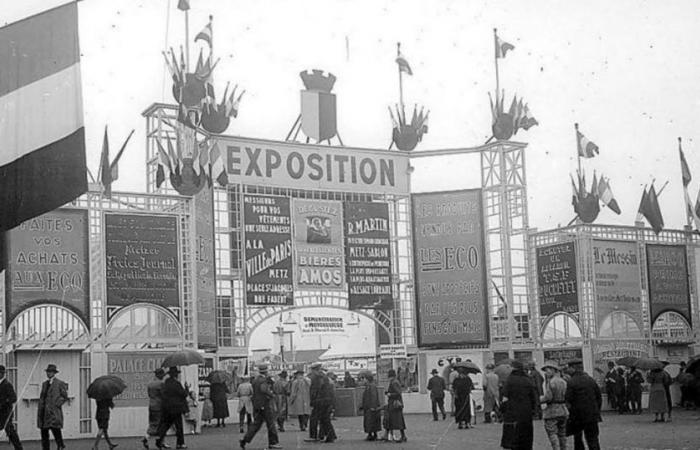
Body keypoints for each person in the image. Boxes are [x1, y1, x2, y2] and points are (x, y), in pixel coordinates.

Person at [239, 364, 281, 449]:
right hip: (265, 404)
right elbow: (264, 389)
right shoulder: (263, 380)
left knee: (256, 424)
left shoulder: (255, 380)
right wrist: (271, 394)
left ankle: (245, 439)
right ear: (266, 371)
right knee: (271, 423)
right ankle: (273, 442)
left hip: (257, 405)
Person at [500, 360, 538, 450]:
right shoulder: (528, 379)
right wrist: (533, 410)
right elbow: (533, 397)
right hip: (526, 412)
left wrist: (502, 410)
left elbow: (505, 398)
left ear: (513, 368)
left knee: (513, 437)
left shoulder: (510, 380)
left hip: (512, 412)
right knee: (526, 437)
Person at [565, 359, 601, 450]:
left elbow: (568, 400)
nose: (567, 370)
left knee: (578, 439)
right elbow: (598, 397)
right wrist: (596, 410)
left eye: (568, 368)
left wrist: (570, 412)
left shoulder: (571, 382)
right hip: (592, 415)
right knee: (593, 440)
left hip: (577, 417)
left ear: (573, 368)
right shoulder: (591, 380)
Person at [155, 367, 189, 450]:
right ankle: (180, 443)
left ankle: (159, 439)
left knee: (166, 425)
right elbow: (184, 394)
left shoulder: (166, 382)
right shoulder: (177, 384)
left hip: (167, 407)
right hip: (176, 408)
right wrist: (187, 388)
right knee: (179, 426)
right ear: (176, 374)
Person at [37, 364, 68, 450]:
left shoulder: (59, 383)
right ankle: (46, 448)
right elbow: (42, 396)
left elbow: (64, 396)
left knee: (56, 430)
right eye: (48, 372)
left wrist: (57, 404)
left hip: (54, 411)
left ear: (54, 373)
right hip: (44, 412)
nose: (49, 373)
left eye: (51, 372)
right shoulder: (44, 384)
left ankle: (60, 445)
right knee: (44, 432)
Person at [304, 362, 336, 443]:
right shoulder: (325, 377)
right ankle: (331, 435)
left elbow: (315, 391)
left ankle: (313, 436)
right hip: (327, 401)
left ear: (314, 370)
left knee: (314, 418)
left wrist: (312, 401)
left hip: (319, 401)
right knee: (325, 419)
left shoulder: (316, 378)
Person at [540, 361, 568, 450]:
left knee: (552, 433)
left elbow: (548, 397)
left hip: (552, 411)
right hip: (563, 410)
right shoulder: (563, 382)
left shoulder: (551, 382)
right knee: (562, 434)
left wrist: (539, 399)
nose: (546, 373)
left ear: (553, 370)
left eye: (547, 370)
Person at [0, 365, 23, 449]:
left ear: (3, 374)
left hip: (6, 413)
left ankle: (19, 448)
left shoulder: (7, 384)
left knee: (10, 431)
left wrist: (4, 402)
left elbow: (13, 398)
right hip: (1, 412)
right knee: (9, 431)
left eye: (0, 373)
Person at [384, 369, 407, 442]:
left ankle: (391, 436)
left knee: (394, 420)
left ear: (391, 376)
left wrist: (390, 394)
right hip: (396, 404)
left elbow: (398, 393)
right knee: (396, 420)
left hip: (394, 405)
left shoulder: (394, 382)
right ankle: (399, 435)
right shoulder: (395, 381)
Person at [359, 372, 382, 441]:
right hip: (368, 407)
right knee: (370, 421)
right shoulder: (369, 386)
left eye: (364, 378)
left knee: (371, 421)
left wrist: (373, 406)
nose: (363, 380)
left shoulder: (371, 386)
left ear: (367, 379)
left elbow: (373, 396)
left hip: (371, 407)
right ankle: (371, 434)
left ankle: (372, 434)